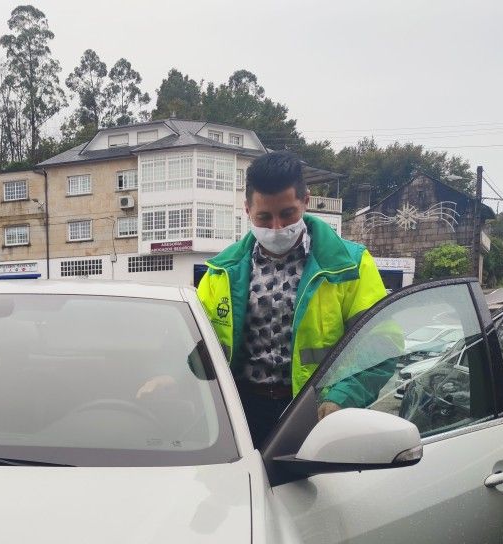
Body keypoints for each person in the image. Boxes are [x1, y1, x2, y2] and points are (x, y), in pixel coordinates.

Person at [141, 151, 388, 448]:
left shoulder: (350, 265)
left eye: (287, 214)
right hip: (237, 412)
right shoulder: (221, 272)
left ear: (306, 201)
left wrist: (341, 398)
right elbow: (189, 342)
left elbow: (381, 346)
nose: (276, 227)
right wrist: (169, 375)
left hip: (314, 411)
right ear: (247, 209)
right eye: (264, 217)